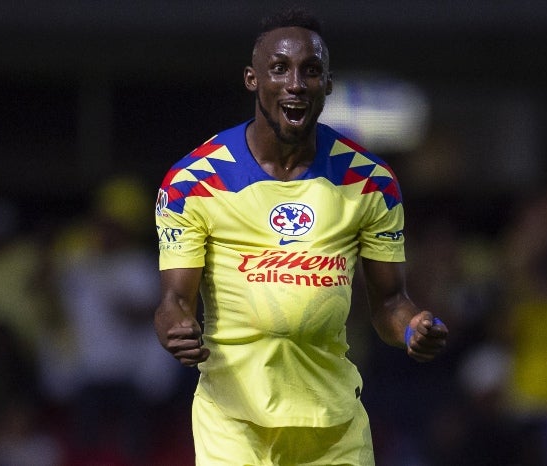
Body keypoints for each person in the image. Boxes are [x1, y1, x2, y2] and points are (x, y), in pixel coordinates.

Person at [154, 7, 448, 465]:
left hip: (334, 428)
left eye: (311, 71)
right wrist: (175, 330)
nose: (295, 82)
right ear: (253, 79)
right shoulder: (194, 181)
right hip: (234, 425)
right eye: (279, 69)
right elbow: (174, 301)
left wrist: (412, 327)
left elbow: (390, 303)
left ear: (327, 85)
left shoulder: (371, 182)